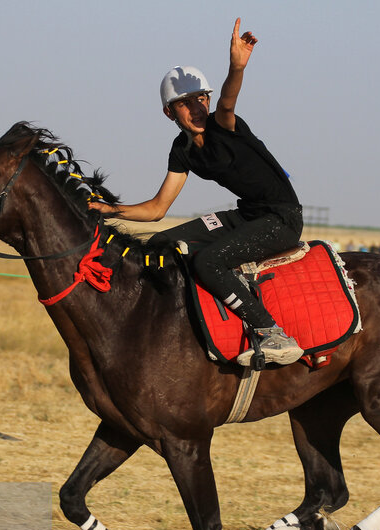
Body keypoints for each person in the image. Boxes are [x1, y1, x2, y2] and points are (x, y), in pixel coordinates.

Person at [89, 18, 304, 367]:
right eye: (185, 103)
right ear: (169, 112)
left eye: (201, 98)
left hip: (281, 219)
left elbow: (230, 99)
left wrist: (236, 66)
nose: (197, 107)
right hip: (246, 215)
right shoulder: (182, 149)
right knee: (160, 244)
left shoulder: (223, 123)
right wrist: (105, 210)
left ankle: (272, 333)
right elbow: (157, 209)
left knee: (208, 261)